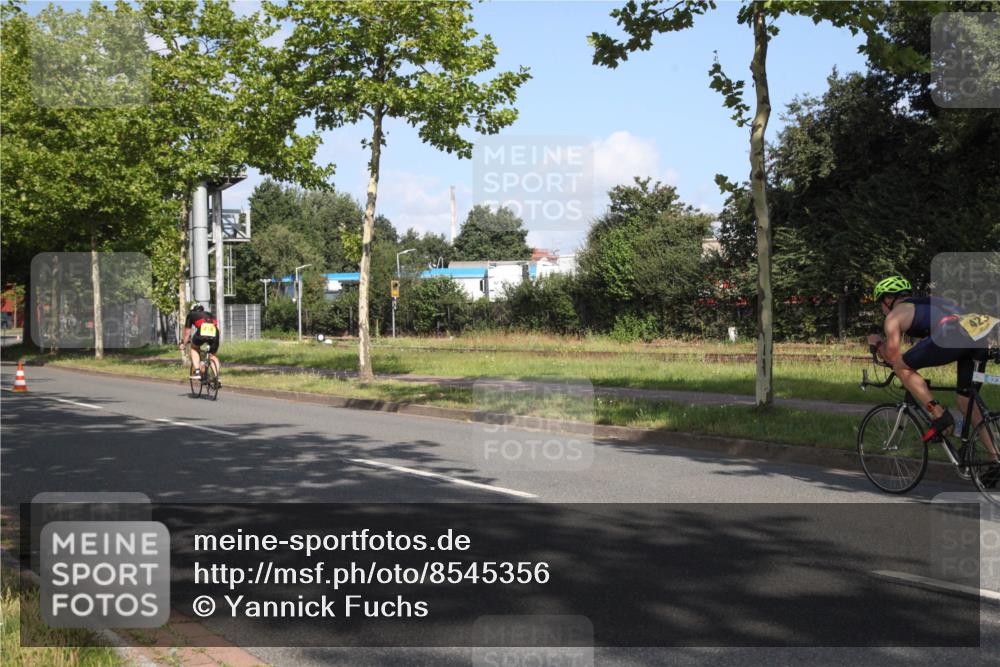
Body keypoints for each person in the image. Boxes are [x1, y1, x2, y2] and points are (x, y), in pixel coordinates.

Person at [867, 276, 995, 446]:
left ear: (888, 299)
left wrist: (877, 343)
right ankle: (995, 458)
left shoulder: (894, 316)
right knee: (966, 401)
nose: (882, 308)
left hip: (952, 334)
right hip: (979, 334)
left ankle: (939, 414)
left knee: (900, 367)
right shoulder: (933, 301)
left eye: (880, 302)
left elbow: (892, 356)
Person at [180, 304, 220, 382]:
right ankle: (217, 377)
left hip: (203, 331)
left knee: (194, 348)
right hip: (215, 333)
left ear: (192, 310)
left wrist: (183, 343)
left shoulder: (191, 314)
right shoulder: (210, 314)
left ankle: (197, 372)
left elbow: (187, 332)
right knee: (212, 356)